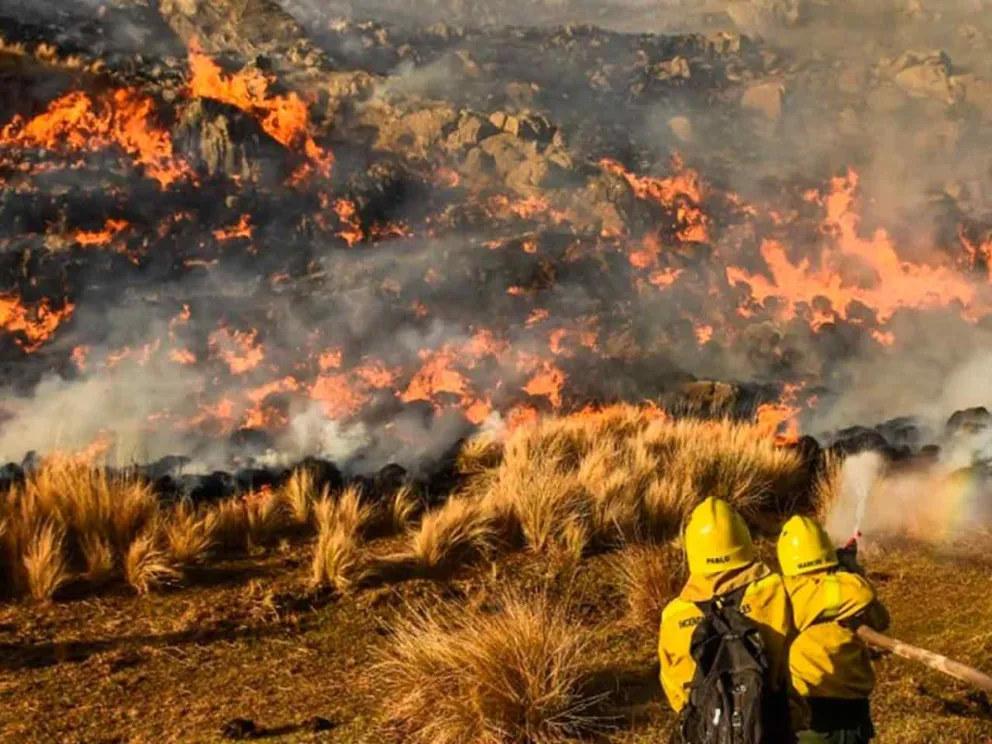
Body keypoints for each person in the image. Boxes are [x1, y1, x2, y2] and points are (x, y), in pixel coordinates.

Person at [659, 496, 797, 743]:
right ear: (743, 539)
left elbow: (675, 691)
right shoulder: (776, 590)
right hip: (769, 729)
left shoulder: (673, 615)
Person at [777, 515, 890, 744]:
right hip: (845, 713)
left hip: (805, 710)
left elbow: (880, 619)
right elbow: (863, 596)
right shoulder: (848, 589)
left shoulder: (779, 592)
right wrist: (849, 569)